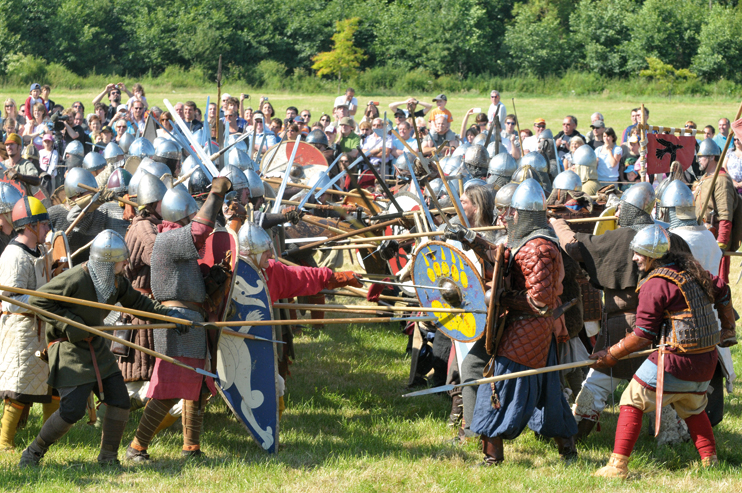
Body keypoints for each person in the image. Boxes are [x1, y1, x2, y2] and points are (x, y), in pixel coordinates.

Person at [19, 230, 174, 467]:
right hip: (69, 348)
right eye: (122, 259)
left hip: (97, 347)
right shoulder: (75, 278)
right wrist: (71, 324)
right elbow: (39, 300)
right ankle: (33, 452)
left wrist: (170, 317)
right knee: (72, 410)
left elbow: (138, 302)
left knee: (120, 400)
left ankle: (108, 459)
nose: (126, 263)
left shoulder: (115, 281)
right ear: (108, 261)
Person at [592, 225, 735, 478]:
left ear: (652, 255)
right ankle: (710, 462)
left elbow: (643, 335)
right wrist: (728, 329)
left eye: (638, 253)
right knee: (692, 406)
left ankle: (617, 467)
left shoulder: (656, 284)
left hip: (675, 361)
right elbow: (723, 289)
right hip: (705, 361)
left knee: (631, 401)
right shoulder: (692, 271)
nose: (635, 258)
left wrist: (611, 354)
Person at [550, 184, 691, 441]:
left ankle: (574, 435)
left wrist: (557, 223)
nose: (616, 216)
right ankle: (670, 439)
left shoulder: (622, 238)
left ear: (631, 210)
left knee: (598, 383)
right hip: (662, 330)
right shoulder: (672, 238)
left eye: (621, 210)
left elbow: (573, 247)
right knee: (658, 386)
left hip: (623, 328)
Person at [465, 179, 577, 465]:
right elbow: (504, 258)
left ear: (522, 214)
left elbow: (539, 302)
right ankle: (567, 450)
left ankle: (492, 458)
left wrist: (502, 298)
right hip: (531, 329)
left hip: (528, 328)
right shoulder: (525, 242)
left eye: (510, 212)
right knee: (548, 392)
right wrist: (471, 239)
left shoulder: (539, 249)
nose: (504, 216)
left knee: (499, 388)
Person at [127, 177, 232, 461]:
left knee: (196, 387)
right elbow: (199, 230)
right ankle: (137, 447)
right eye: (190, 215)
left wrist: (212, 279)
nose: (193, 220)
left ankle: (191, 447)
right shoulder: (168, 240)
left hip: (190, 320)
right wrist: (215, 195)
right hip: (178, 323)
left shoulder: (178, 246)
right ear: (182, 216)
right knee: (167, 389)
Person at [0, 197, 55, 451]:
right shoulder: (13, 256)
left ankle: (50, 435)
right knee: (19, 387)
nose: (47, 229)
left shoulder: (40, 251)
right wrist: (43, 297)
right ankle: (5, 442)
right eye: (43, 224)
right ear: (31, 226)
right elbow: (9, 301)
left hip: (39, 328)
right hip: (20, 329)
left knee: (50, 382)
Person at [693, 137, 738, 283]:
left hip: (715, 237)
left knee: (718, 284)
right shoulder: (706, 178)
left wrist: (721, 244)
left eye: (702, 157)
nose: (699, 160)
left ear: (712, 157)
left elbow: (726, 215)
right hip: (704, 235)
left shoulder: (721, 180)